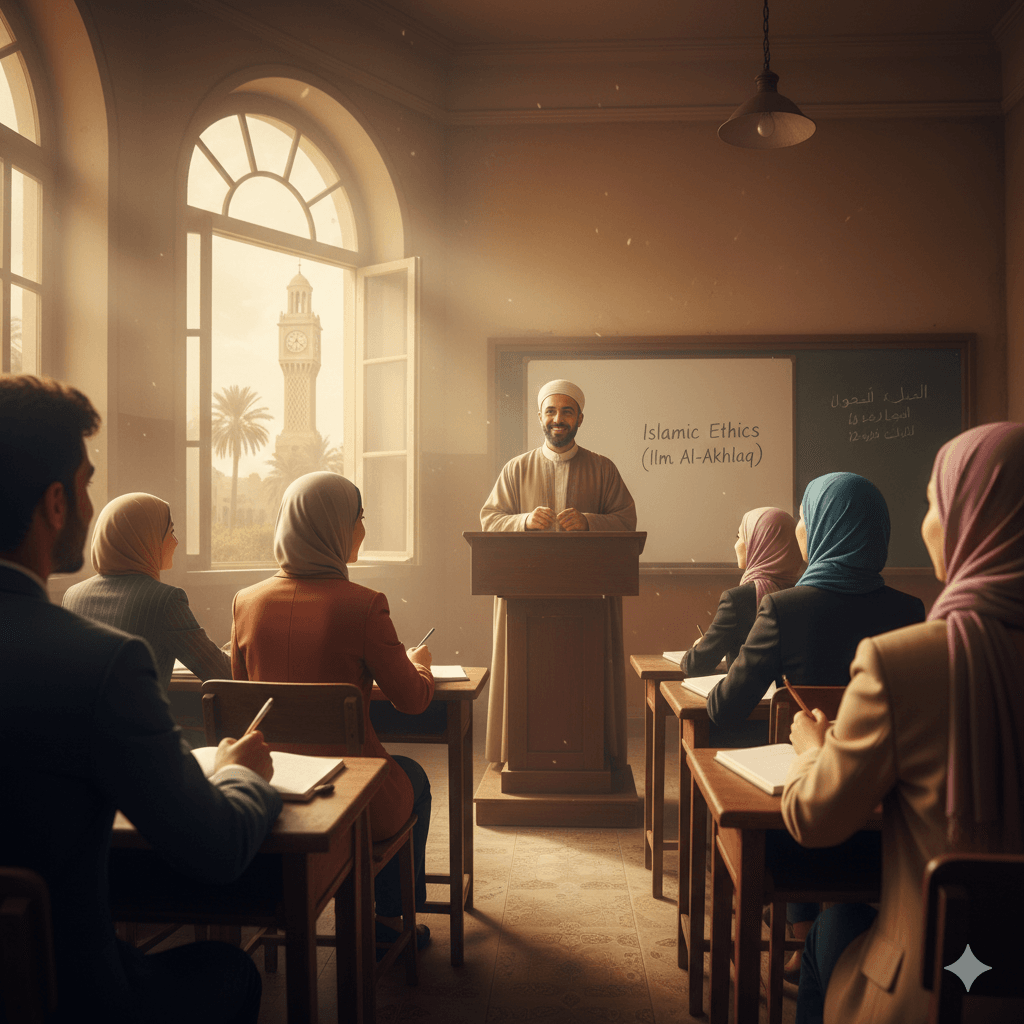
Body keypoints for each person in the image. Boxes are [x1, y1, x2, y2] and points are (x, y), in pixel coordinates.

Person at [0, 374, 281, 1024]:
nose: (92, 503)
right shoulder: (101, 664)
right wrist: (242, 773)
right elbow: (214, 850)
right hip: (70, 996)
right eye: (86, 482)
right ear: (55, 502)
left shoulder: (86, 619)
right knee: (228, 973)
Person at [782, 423, 1024, 1024]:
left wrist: (813, 748)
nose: (925, 525)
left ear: (973, 521)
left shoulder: (904, 662)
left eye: (933, 503)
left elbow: (814, 820)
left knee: (831, 928)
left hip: (938, 990)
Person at [706, 472, 926, 972]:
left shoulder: (785, 609)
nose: (801, 529)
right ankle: (818, 940)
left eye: (805, 519)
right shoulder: (911, 611)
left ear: (825, 528)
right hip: (890, 834)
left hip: (797, 833)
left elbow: (725, 709)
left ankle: (800, 934)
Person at [231, 471, 434, 951]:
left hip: (271, 792)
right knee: (415, 778)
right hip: (349, 798)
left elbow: (246, 702)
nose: (364, 530)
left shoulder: (246, 603)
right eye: (360, 518)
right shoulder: (362, 606)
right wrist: (418, 668)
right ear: (336, 527)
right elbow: (411, 701)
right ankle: (387, 921)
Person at [480, 379, 637, 767]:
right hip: (525, 603)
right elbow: (489, 520)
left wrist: (588, 522)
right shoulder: (517, 468)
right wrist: (522, 522)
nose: (558, 419)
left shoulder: (603, 468)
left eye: (567, 411)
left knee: (582, 686)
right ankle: (523, 762)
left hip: (589, 602)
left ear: (580, 417)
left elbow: (627, 522)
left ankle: (590, 762)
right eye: (551, 411)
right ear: (540, 417)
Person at [63, 492, 230, 692]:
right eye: (170, 531)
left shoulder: (72, 596)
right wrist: (236, 647)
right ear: (147, 537)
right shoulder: (165, 600)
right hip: (141, 722)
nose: (175, 542)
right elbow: (220, 673)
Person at [681, 506, 803, 677]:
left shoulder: (737, 600)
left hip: (746, 699)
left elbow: (696, 665)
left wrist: (700, 646)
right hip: (789, 699)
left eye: (740, 536)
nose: (736, 544)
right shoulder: (803, 593)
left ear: (759, 542)